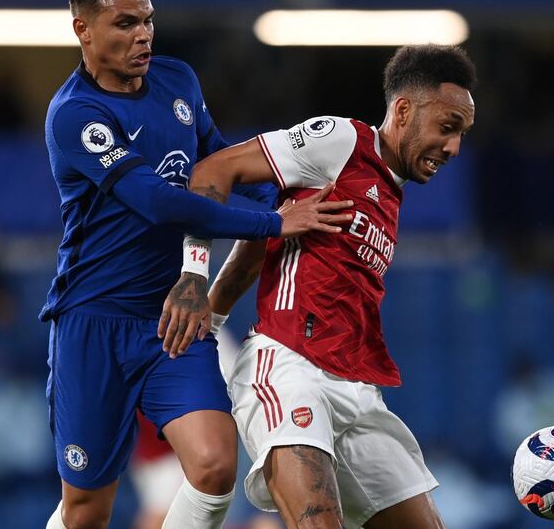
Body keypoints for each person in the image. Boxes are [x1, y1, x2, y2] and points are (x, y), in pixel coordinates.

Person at [41, 0, 351, 529]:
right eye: (125, 24)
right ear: (83, 29)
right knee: (87, 510)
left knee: (213, 467)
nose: (142, 36)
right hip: (93, 323)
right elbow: (159, 201)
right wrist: (274, 225)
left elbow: (216, 162)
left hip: (171, 318)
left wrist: (278, 194)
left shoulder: (178, 80)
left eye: (148, 22)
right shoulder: (75, 116)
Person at [160, 44, 477, 528]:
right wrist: (192, 278)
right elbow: (213, 170)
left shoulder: (390, 190)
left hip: (356, 388)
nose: (453, 148)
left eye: (461, 135)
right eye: (447, 127)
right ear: (405, 110)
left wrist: (215, 315)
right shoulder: (341, 140)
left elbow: (259, 250)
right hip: (290, 368)